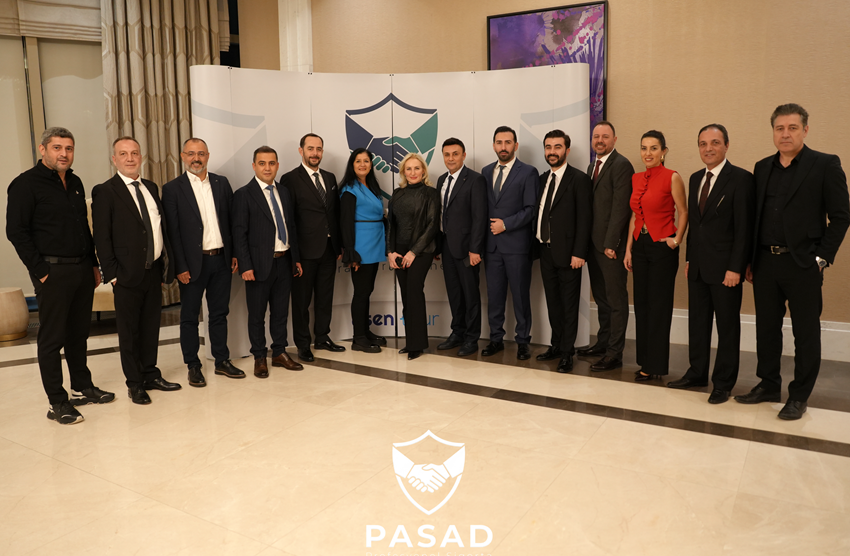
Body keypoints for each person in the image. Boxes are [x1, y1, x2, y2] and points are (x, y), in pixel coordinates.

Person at [736, 104, 850, 420]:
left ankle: (799, 395)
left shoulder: (825, 164)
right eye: (780, 128)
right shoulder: (762, 167)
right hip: (765, 262)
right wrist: (750, 259)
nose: (785, 134)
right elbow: (756, 217)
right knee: (766, 329)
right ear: (773, 132)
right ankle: (768, 384)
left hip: (803, 264)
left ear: (805, 130)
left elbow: (841, 216)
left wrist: (821, 259)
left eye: (792, 128)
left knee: (805, 332)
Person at [6, 127, 114, 424]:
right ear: (43, 149)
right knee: (52, 339)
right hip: (51, 272)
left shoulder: (75, 182)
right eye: (57, 148)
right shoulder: (25, 184)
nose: (63, 153)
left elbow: (83, 229)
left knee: (79, 333)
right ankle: (57, 401)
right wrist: (40, 270)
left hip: (82, 269)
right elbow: (16, 231)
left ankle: (82, 386)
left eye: (68, 148)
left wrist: (94, 265)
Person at [667, 124, 754, 404]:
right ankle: (697, 373)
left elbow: (744, 228)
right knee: (698, 323)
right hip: (698, 266)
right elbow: (696, 225)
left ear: (726, 145)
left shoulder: (741, 179)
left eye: (715, 143)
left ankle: (723, 383)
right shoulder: (695, 178)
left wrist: (736, 267)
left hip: (726, 269)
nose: (708, 148)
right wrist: (689, 259)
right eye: (703, 144)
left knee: (727, 327)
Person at [91, 137, 180, 405]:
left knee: (151, 327)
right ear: (114, 159)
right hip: (125, 275)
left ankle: (150, 374)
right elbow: (102, 237)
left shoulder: (151, 187)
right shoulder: (105, 191)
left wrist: (163, 266)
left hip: (153, 272)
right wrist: (113, 275)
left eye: (134, 153)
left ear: (141, 157)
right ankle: (135, 383)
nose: (130, 158)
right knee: (129, 332)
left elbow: (157, 229)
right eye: (123, 154)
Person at [161, 138, 244, 387]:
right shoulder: (172, 189)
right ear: (182, 156)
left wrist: (234, 254)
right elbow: (172, 232)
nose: (196, 158)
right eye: (191, 154)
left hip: (221, 260)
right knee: (189, 317)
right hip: (192, 265)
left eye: (200, 154)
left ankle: (221, 361)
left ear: (207, 156)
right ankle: (193, 366)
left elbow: (231, 222)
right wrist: (180, 266)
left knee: (219, 313)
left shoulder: (221, 183)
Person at [232, 146, 304, 377]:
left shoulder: (284, 192)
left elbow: (291, 227)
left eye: (271, 163)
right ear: (254, 166)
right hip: (258, 265)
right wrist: (245, 266)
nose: (267, 168)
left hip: (284, 261)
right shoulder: (244, 194)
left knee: (280, 313)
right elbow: (239, 233)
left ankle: (279, 352)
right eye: (262, 163)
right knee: (257, 315)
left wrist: (296, 259)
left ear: (277, 165)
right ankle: (259, 356)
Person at [623, 130, 688, 382]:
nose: (647, 153)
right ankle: (645, 361)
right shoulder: (636, 178)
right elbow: (635, 216)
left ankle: (656, 365)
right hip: (640, 245)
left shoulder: (672, 177)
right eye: (644, 148)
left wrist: (676, 239)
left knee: (658, 306)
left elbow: (683, 211)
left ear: (663, 151)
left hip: (662, 247)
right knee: (641, 304)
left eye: (653, 148)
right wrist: (628, 249)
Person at [281, 133, 345, 363]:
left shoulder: (329, 177)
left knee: (325, 297)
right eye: (310, 149)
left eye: (318, 149)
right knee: (301, 300)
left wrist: (339, 245)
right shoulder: (290, 179)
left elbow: (334, 213)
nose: (315, 153)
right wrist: (294, 255)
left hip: (329, 249)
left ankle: (322, 337)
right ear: (301, 151)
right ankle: (302, 344)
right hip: (304, 252)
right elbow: (289, 219)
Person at [576, 121, 635, 371]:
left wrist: (612, 243)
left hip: (611, 247)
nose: (600, 140)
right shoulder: (593, 166)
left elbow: (621, 208)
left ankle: (614, 353)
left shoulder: (622, 165)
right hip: (594, 246)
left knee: (616, 300)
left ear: (614, 139)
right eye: (596, 136)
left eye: (605, 136)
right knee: (601, 299)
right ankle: (603, 343)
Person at [535, 130, 592, 373]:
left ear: (566, 150)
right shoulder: (541, 179)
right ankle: (556, 345)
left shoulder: (578, 179)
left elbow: (585, 219)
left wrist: (579, 253)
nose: (552, 152)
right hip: (545, 251)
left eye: (557, 147)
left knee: (569, 306)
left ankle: (568, 353)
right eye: (548, 147)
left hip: (569, 254)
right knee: (553, 303)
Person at [481, 126, 539, 360]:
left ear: (515, 145)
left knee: (520, 297)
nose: (503, 147)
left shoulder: (528, 172)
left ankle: (523, 341)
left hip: (517, 246)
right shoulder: (485, 172)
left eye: (507, 142)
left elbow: (531, 209)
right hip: (492, 247)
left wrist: (505, 224)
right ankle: (496, 338)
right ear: (493, 145)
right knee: (494, 297)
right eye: (499, 142)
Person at [435, 138, 487, 357]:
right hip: (447, 246)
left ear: (463, 155)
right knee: (454, 293)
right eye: (447, 154)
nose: (451, 158)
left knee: (470, 294)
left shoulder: (475, 179)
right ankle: (457, 332)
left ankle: (472, 338)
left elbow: (480, 217)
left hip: (467, 249)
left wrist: (475, 249)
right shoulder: (441, 180)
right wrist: (437, 246)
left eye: (455, 154)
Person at [387, 152, 441, 360]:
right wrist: (390, 252)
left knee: (414, 292)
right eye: (408, 169)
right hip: (399, 251)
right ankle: (411, 342)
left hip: (421, 250)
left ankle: (417, 345)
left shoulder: (431, 193)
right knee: (406, 294)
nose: (412, 172)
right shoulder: (397, 193)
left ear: (423, 171)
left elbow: (432, 225)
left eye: (416, 168)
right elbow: (391, 225)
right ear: (403, 172)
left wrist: (413, 252)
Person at [339, 148, 387, 353]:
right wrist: (350, 251)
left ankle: (365, 331)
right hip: (360, 247)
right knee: (360, 293)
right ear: (352, 165)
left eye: (366, 161)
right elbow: (345, 222)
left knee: (367, 291)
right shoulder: (349, 189)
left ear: (371, 164)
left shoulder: (371, 186)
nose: (362, 164)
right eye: (358, 161)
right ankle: (358, 338)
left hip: (374, 244)